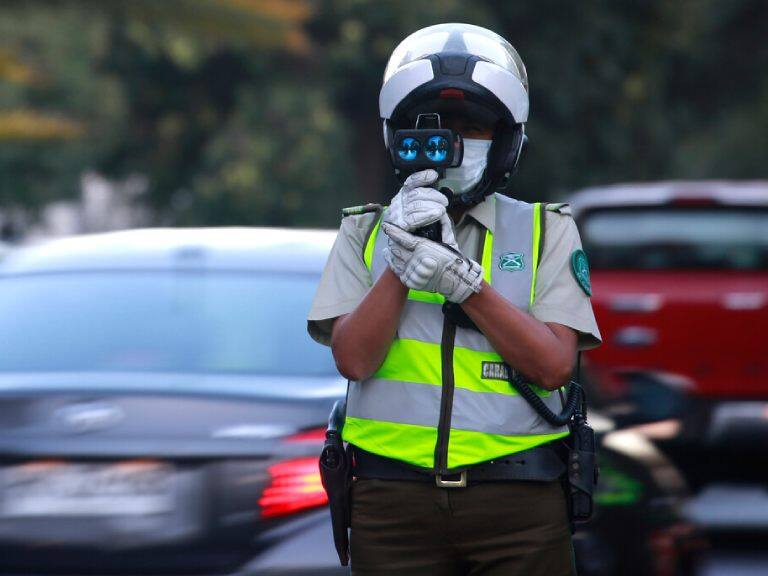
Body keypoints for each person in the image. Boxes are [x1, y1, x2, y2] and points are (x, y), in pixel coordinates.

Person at [308, 23, 601, 576]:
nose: (456, 143)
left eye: (474, 126)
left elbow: (553, 366)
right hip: (391, 501)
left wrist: (466, 286)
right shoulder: (363, 233)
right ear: (400, 136)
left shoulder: (546, 231)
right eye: (436, 128)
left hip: (518, 500)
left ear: (508, 138)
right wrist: (402, 259)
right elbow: (354, 359)